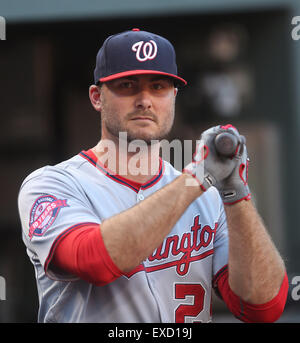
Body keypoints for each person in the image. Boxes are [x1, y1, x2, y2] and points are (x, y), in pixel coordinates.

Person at [18, 28, 288, 323]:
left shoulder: (208, 198)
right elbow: (93, 260)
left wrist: (237, 195)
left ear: (173, 96)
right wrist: (195, 178)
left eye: (158, 86)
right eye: (128, 85)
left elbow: (263, 308)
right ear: (97, 97)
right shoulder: (53, 184)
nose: (145, 99)